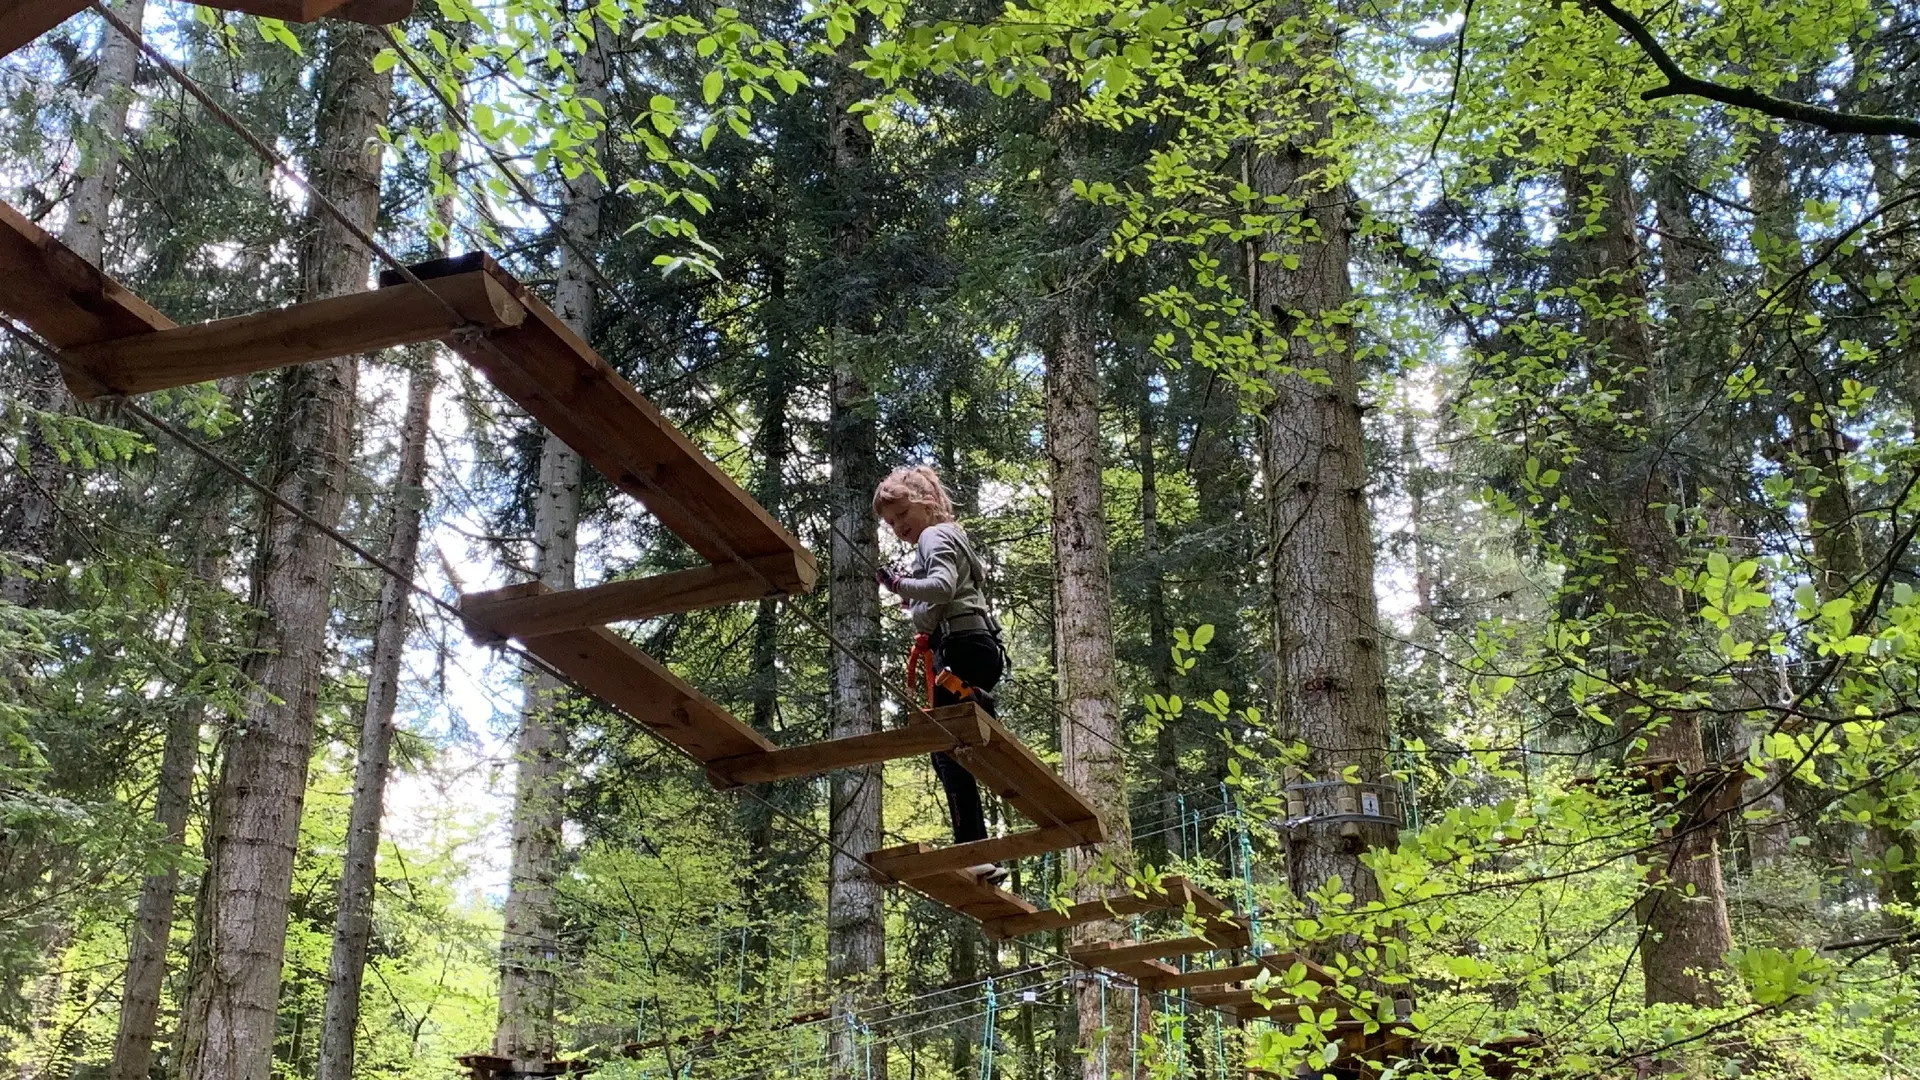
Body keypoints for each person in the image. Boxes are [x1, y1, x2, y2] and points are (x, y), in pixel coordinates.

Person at [872, 465, 1009, 885]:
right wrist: (917, 607)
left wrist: (898, 585)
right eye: (891, 523)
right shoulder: (952, 536)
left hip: (962, 648)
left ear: (925, 503)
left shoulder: (933, 535)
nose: (898, 528)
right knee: (959, 743)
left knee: (944, 749)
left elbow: (942, 587)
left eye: (901, 515)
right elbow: (943, 597)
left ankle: (974, 848)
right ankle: (980, 703)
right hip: (980, 647)